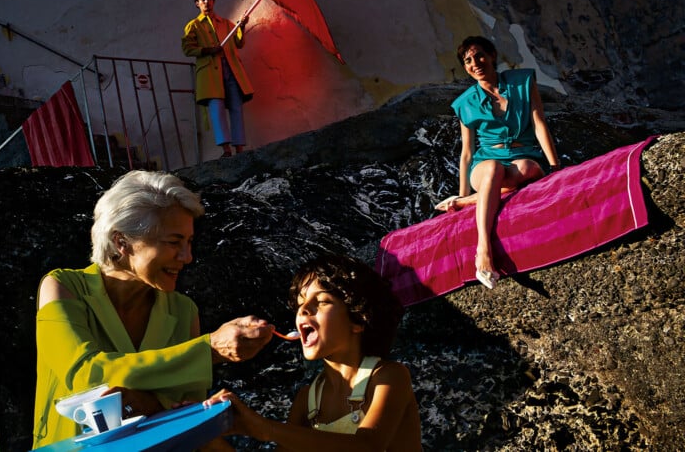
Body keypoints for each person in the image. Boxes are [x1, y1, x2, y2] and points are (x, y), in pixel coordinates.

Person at [32, 170, 274, 449]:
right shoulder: (63, 287)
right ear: (121, 242)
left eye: (189, 242)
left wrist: (152, 405)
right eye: (173, 242)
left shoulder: (184, 311)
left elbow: (187, 421)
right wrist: (209, 351)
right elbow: (84, 374)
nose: (187, 257)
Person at [205, 254, 423, 451]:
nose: (303, 310)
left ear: (358, 318)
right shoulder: (307, 399)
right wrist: (205, 435)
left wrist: (263, 428)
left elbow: (367, 446)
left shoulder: (389, 376)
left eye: (321, 302)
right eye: (300, 303)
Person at [436, 36, 560, 289]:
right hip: (485, 163)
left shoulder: (523, 82)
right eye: (468, 61)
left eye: (479, 55)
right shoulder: (464, 103)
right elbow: (467, 153)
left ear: (492, 55)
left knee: (528, 169)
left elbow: (539, 125)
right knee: (493, 168)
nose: (475, 63)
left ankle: (469, 201)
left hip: (522, 156)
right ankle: (483, 249)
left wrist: (556, 167)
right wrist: (463, 190)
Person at [182, 0, 254, 158]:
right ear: (197, 4)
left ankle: (239, 148)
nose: (207, 2)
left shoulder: (226, 23)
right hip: (210, 75)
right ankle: (226, 150)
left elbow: (238, 43)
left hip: (231, 71)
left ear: (213, 1)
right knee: (217, 109)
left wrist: (241, 27)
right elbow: (187, 48)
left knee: (236, 108)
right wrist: (207, 51)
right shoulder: (193, 26)